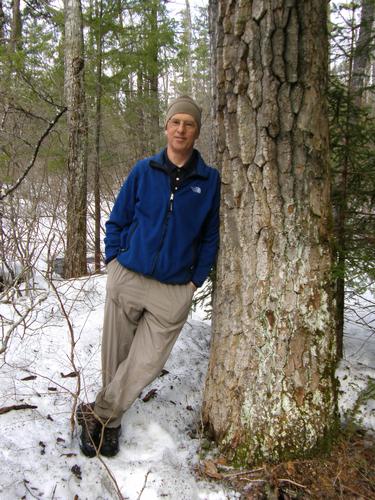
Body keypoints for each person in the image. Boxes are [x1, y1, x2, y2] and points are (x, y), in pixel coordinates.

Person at [77, 95, 221, 458]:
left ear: (197, 132)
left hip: (173, 289)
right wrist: (114, 261)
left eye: (189, 124)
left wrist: (195, 281)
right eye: (176, 122)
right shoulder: (144, 170)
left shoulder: (209, 180)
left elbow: (210, 236)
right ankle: (109, 427)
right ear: (167, 126)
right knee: (116, 357)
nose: (181, 129)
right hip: (129, 277)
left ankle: (98, 412)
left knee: (146, 362)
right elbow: (118, 219)